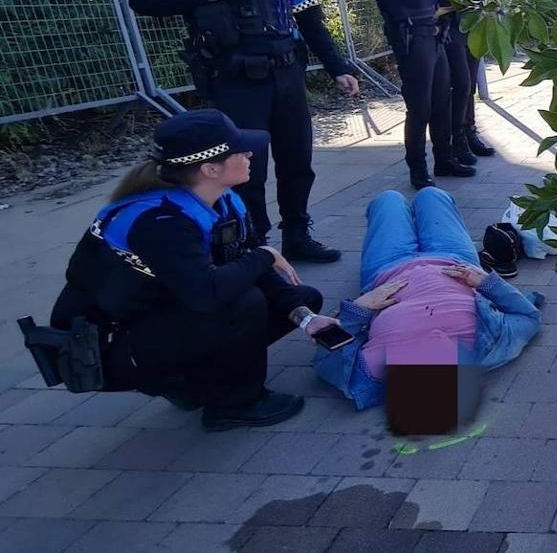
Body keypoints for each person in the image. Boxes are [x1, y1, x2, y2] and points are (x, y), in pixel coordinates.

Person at [50, 109, 343, 431]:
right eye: (240, 151)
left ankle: (195, 382)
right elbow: (209, 293)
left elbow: (243, 258)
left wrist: (305, 317)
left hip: (164, 311)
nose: (249, 155)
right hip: (108, 344)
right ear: (210, 168)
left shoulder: (221, 199)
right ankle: (233, 404)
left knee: (299, 298)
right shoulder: (160, 221)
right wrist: (264, 255)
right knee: (243, 303)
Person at [127, 0, 359, 264]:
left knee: (297, 160)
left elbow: (310, 17)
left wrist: (338, 67)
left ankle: (297, 234)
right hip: (234, 78)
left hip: (286, 73)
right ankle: (253, 246)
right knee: (244, 167)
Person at [313, 188, 543, 411]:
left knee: (387, 200)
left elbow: (326, 357)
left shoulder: (370, 374)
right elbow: (529, 316)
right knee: (432, 196)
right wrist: (486, 283)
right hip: (452, 257)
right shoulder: (490, 348)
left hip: (386, 268)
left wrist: (358, 309)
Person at [366, 0, 475, 188]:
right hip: (412, 39)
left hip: (435, 35)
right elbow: (413, 1)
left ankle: (444, 158)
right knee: (420, 107)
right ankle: (417, 168)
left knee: (442, 100)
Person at [431, 0, 496, 165]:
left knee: (468, 84)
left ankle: (469, 134)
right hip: (448, 29)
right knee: (459, 85)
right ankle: (456, 140)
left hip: (471, 28)